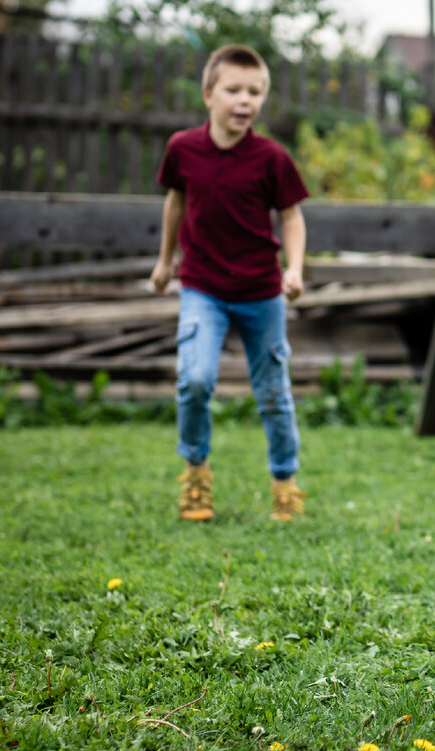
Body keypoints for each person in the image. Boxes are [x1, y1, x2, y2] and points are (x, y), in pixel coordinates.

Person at [150, 44, 309, 522]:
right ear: (208, 94)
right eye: (234, 90)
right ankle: (196, 476)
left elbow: (292, 218)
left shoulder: (271, 157)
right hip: (202, 288)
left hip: (262, 290)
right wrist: (164, 262)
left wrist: (294, 269)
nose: (245, 100)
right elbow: (174, 205)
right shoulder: (182, 149)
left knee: (274, 394)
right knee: (195, 380)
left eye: (255, 92)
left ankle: (285, 482)